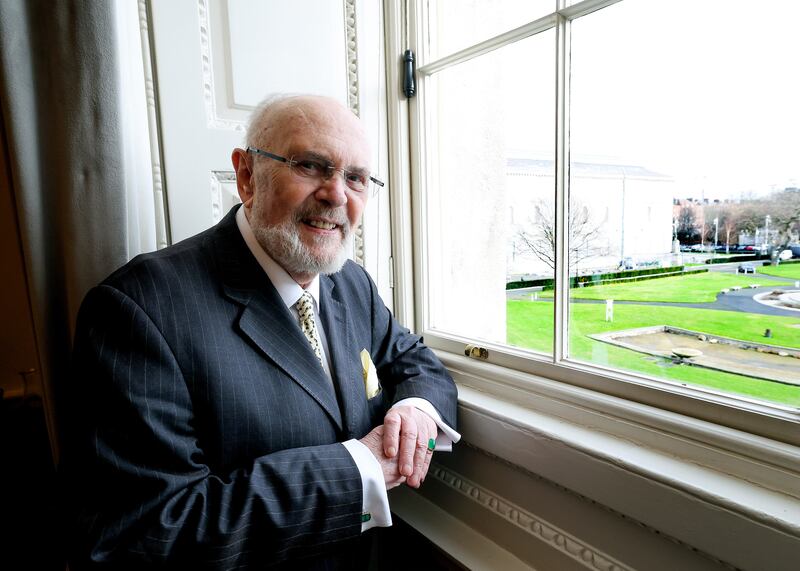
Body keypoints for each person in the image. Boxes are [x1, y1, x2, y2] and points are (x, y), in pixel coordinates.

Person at [61, 94, 459, 569]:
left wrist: (416, 411)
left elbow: (414, 359)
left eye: (355, 177)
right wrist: (361, 468)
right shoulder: (137, 310)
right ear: (247, 175)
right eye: (311, 166)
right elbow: (145, 534)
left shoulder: (351, 284)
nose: (336, 194)